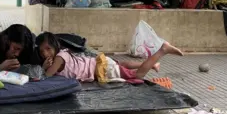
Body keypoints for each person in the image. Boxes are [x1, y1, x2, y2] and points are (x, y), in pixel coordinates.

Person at [35, 32, 183, 83]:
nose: (46, 54)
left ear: (55, 46)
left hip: (101, 69)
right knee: (121, 64)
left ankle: (162, 50)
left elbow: (46, 77)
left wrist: (43, 68)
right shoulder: (63, 53)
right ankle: (150, 64)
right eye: (42, 52)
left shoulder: (59, 58)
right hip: (100, 62)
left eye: (48, 49)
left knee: (137, 75)